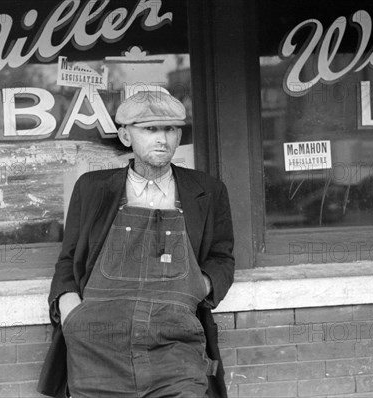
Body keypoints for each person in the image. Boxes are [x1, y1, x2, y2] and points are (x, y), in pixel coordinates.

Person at [38, 90, 235, 398]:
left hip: (175, 344)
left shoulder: (207, 191)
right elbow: (69, 259)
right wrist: (70, 311)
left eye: (170, 129)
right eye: (150, 129)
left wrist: (198, 286)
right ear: (125, 136)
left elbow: (222, 257)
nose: (162, 139)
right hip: (97, 346)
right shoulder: (92, 189)